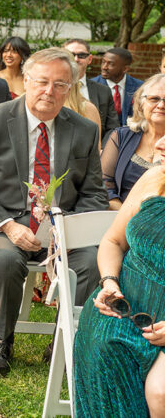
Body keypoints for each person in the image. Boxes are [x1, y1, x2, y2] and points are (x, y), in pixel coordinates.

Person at [0, 48, 107, 376]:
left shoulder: (83, 129)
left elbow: (94, 194)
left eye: (59, 84)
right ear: (26, 80)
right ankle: (2, 340)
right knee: (7, 259)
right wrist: (9, 227)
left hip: (59, 226)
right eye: (41, 82)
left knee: (90, 260)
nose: (49, 92)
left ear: (71, 88)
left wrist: (68, 229)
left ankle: (62, 342)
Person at [73, 163, 165, 417]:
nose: (159, 143)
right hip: (123, 308)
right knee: (107, 353)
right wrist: (110, 281)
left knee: (161, 393)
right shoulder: (155, 176)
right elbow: (113, 241)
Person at [100, 74, 165, 209]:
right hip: (117, 216)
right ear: (141, 103)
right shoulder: (120, 137)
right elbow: (103, 182)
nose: (161, 105)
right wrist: (122, 216)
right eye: (154, 99)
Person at [64, 39, 118, 140]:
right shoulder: (53, 89)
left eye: (82, 55)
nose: (76, 59)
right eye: (70, 55)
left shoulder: (103, 91)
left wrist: (103, 150)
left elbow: (113, 128)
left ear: (90, 59)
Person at [94, 47, 143, 127]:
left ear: (125, 69)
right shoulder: (92, 85)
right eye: (103, 62)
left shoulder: (140, 87)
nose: (104, 67)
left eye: (111, 64)